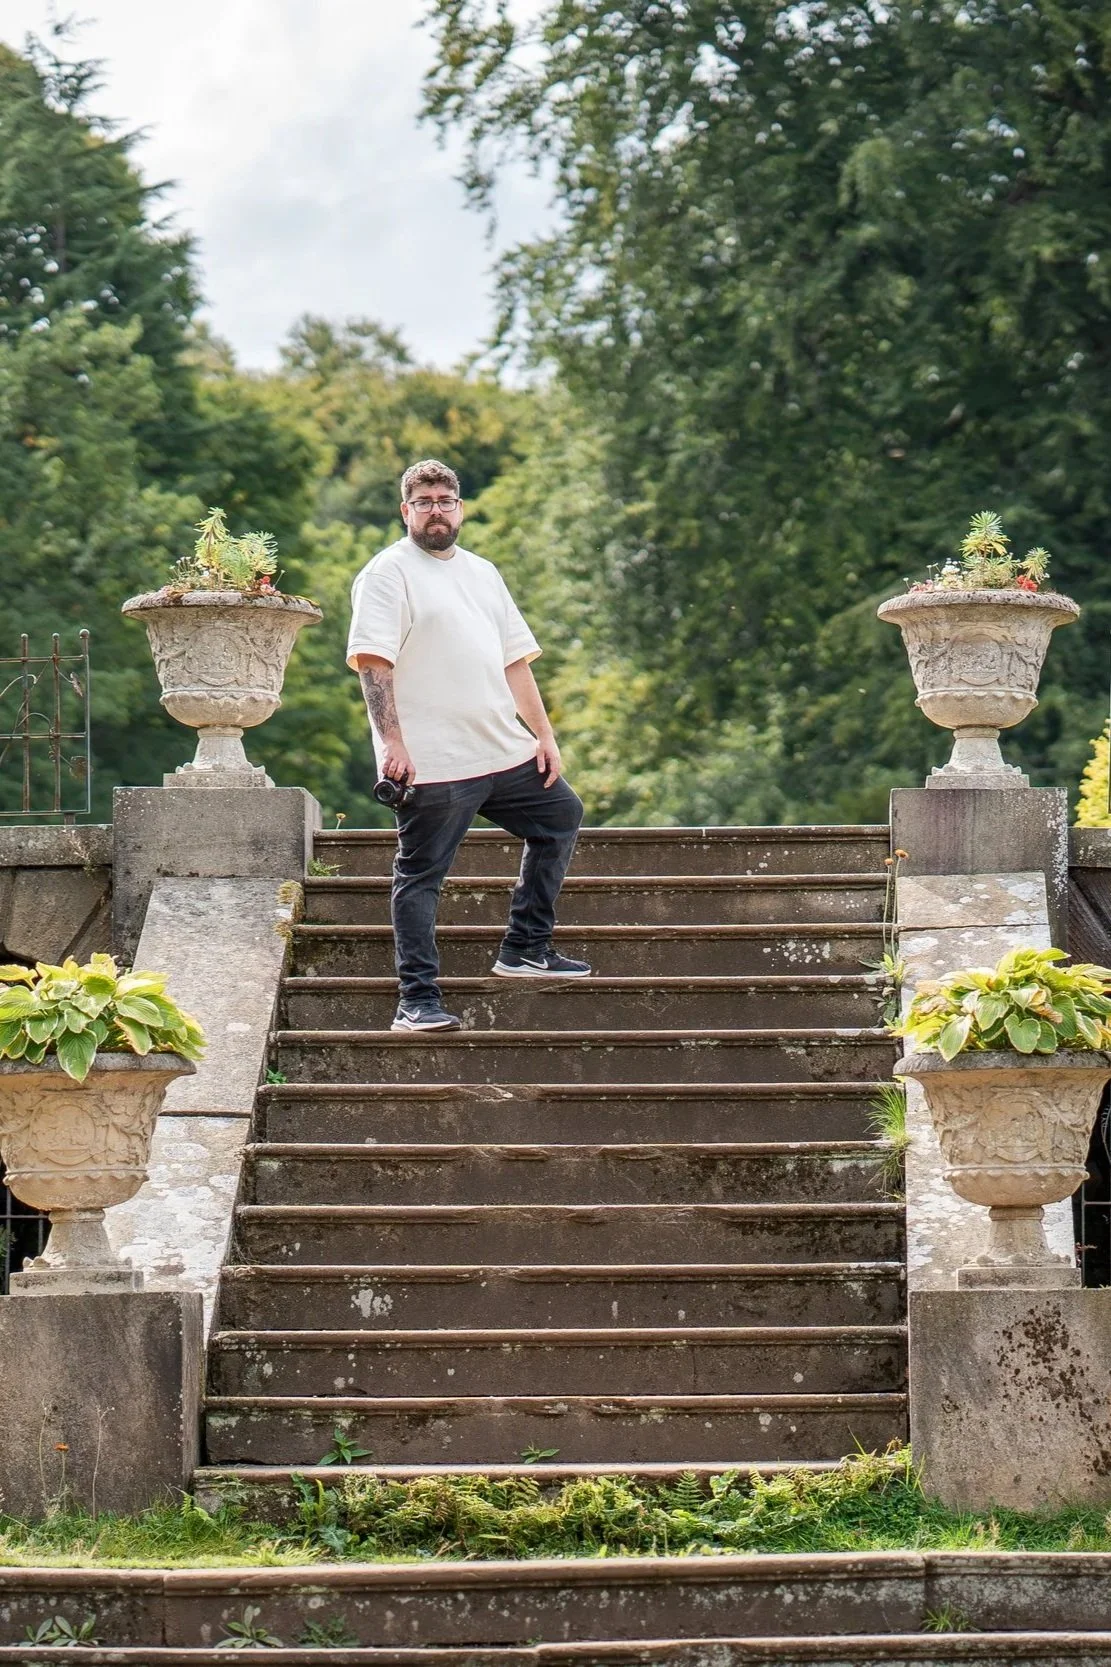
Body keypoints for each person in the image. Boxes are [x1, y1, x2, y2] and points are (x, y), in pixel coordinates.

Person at [347, 458, 590, 1032]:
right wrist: (392, 744)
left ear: (460, 508)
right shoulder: (387, 573)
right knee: (421, 875)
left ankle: (525, 949)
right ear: (406, 510)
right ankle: (417, 1000)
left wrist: (544, 735)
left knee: (561, 816)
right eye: (425, 502)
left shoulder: (483, 573)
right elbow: (373, 664)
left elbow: (515, 660)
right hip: (432, 759)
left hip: (503, 750)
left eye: (446, 501)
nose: (437, 511)